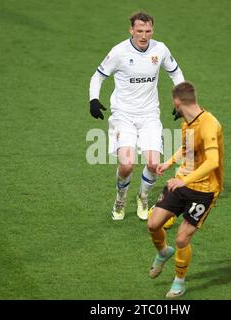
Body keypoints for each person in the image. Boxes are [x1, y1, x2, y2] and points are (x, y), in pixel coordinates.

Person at [88, 11, 185, 221]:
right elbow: (98, 76)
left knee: (153, 163)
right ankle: (120, 199)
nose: (143, 36)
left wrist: (180, 101)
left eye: (148, 31)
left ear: (152, 30)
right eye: (139, 31)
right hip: (123, 115)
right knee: (127, 164)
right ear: (131, 30)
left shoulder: (160, 49)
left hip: (150, 115)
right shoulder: (119, 52)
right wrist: (93, 100)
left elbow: (176, 73)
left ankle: (143, 197)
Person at [147, 81, 224, 298]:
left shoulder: (209, 125)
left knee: (182, 239)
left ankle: (179, 283)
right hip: (182, 182)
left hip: (204, 190)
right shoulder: (186, 123)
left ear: (178, 102)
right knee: (153, 223)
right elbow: (186, 149)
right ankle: (163, 253)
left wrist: (184, 180)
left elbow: (213, 162)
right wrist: (169, 163)